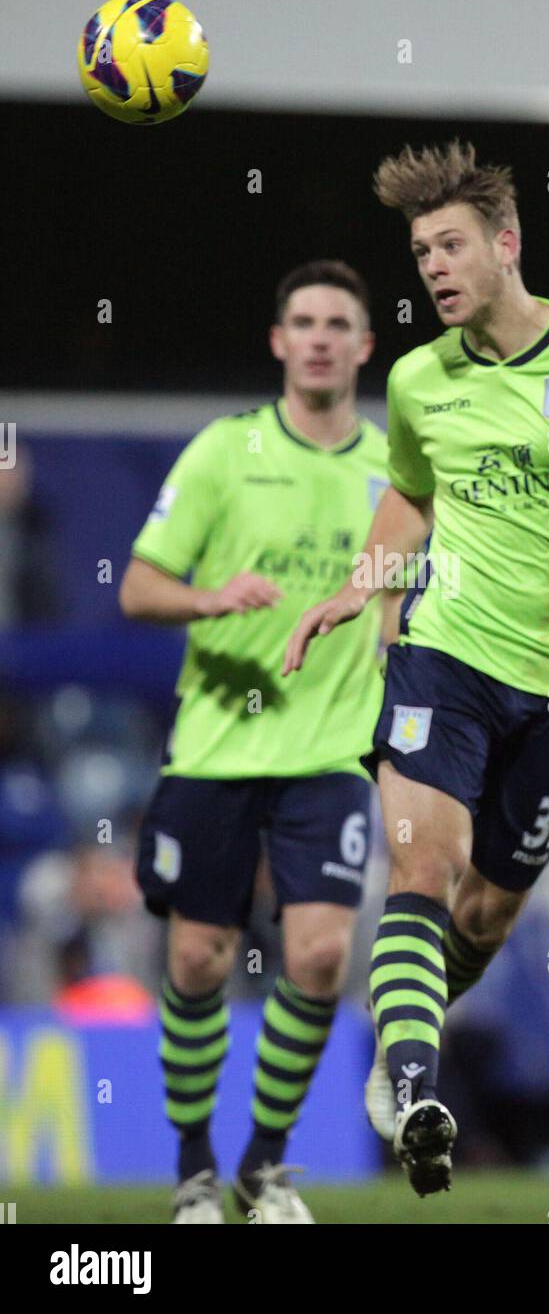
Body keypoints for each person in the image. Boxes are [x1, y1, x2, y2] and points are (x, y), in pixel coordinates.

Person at [284, 142, 549, 1197]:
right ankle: (420, 1086)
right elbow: (410, 495)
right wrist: (360, 584)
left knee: (484, 915)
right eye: (420, 250)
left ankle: (401, 1029)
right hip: (446, 654)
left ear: (507, 243)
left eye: (451, 243)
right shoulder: (422, 379)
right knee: (424, 868)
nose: (433, 265)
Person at [120, 261, 393, 1224]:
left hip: (329, 754)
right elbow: (137, 586)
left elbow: (405, 603)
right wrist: (209, 596)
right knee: (198, 960)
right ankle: (194, 1169)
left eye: (339, 324)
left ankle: (263, 1169)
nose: (320, 337)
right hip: (218, 749)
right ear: (280, 342)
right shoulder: (220, 453)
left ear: (365, 346)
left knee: (320, 958)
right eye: (303, 321)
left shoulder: (397, 474)